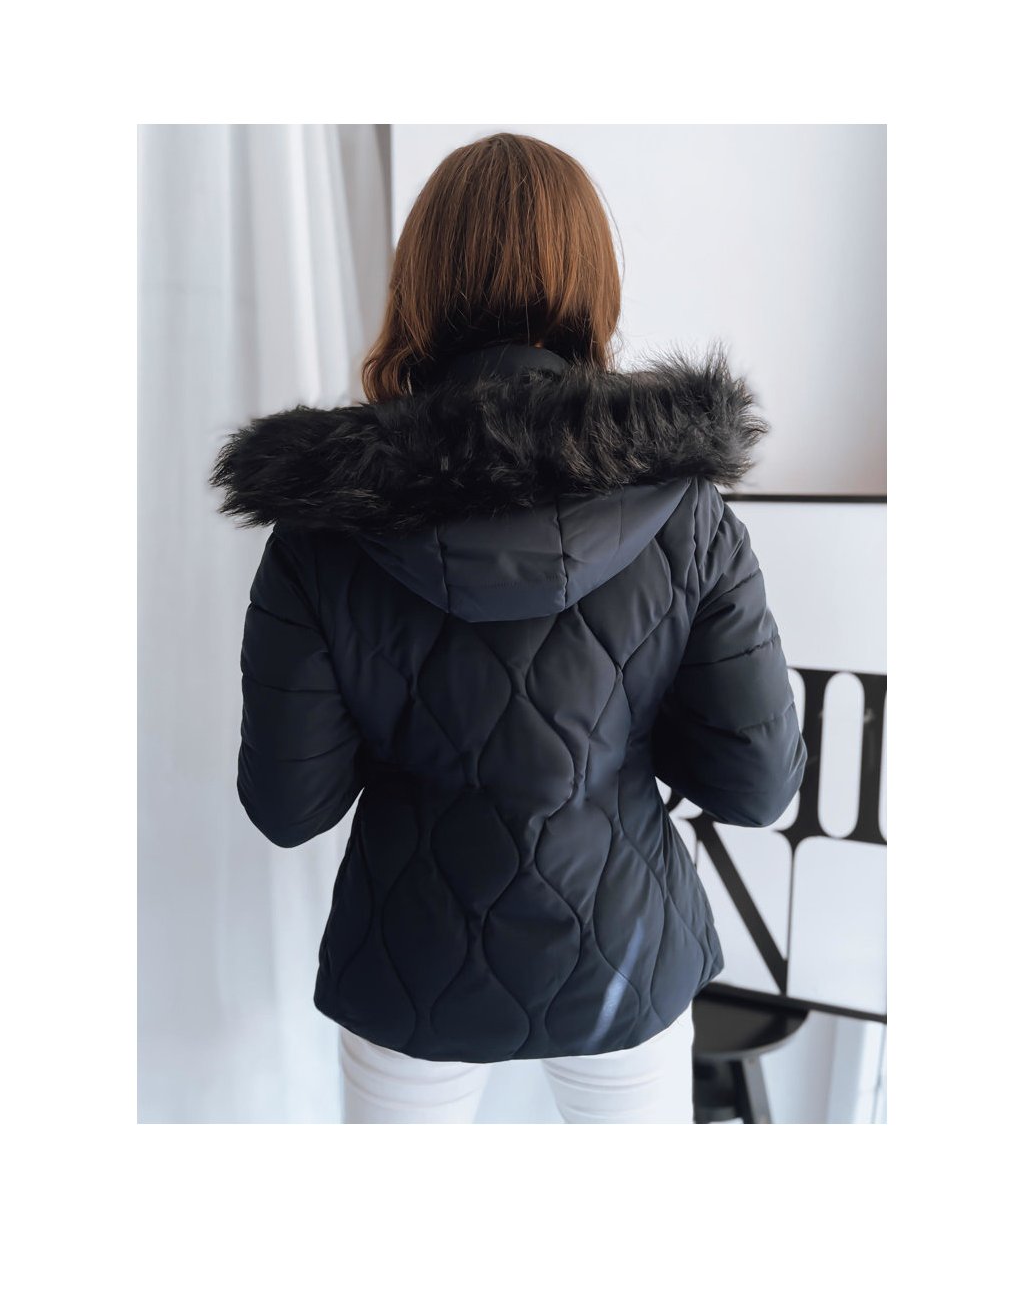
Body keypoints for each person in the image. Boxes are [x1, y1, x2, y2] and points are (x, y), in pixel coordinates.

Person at [209, 131, 808, 1124]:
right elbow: (758, 785)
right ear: (591, 283)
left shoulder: (323, 525)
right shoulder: (686, 512)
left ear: (419, 287)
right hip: (626, 956)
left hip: (409, 968)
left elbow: (289, 805)